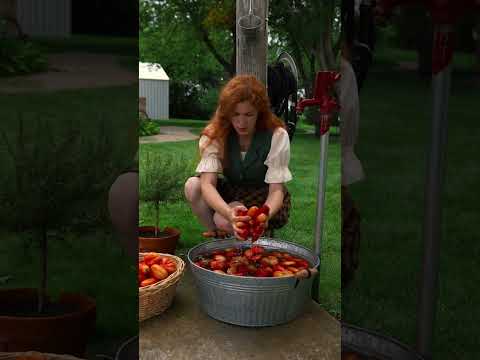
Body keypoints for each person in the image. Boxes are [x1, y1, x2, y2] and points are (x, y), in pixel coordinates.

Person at [184, 75, 293, 240]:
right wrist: (229, 213)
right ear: (227, 113)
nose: (241, 122)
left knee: (225, 219)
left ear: (260, 113)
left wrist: (265, 215)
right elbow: (207, 184)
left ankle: (255, 238)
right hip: (231, 191)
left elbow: (276, 190)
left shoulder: (276, 135)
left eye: (249, 114)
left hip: (262, 195)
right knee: (193, 186)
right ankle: (219, 238)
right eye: (235, 114)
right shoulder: (216, 133)